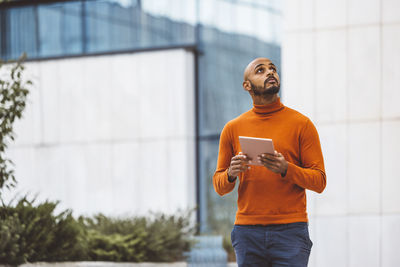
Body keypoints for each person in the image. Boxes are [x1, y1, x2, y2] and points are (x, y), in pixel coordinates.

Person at [213, 57, 326, 267]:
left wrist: (286, 169)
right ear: (247, 85)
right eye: (261, 70)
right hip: (247, 233)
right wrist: (231, 173)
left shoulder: (302, 124)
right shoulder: (232, 128)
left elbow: (319, 181)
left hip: (291, 231)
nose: (270, 72)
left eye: (273, 69)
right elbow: (219, 186)